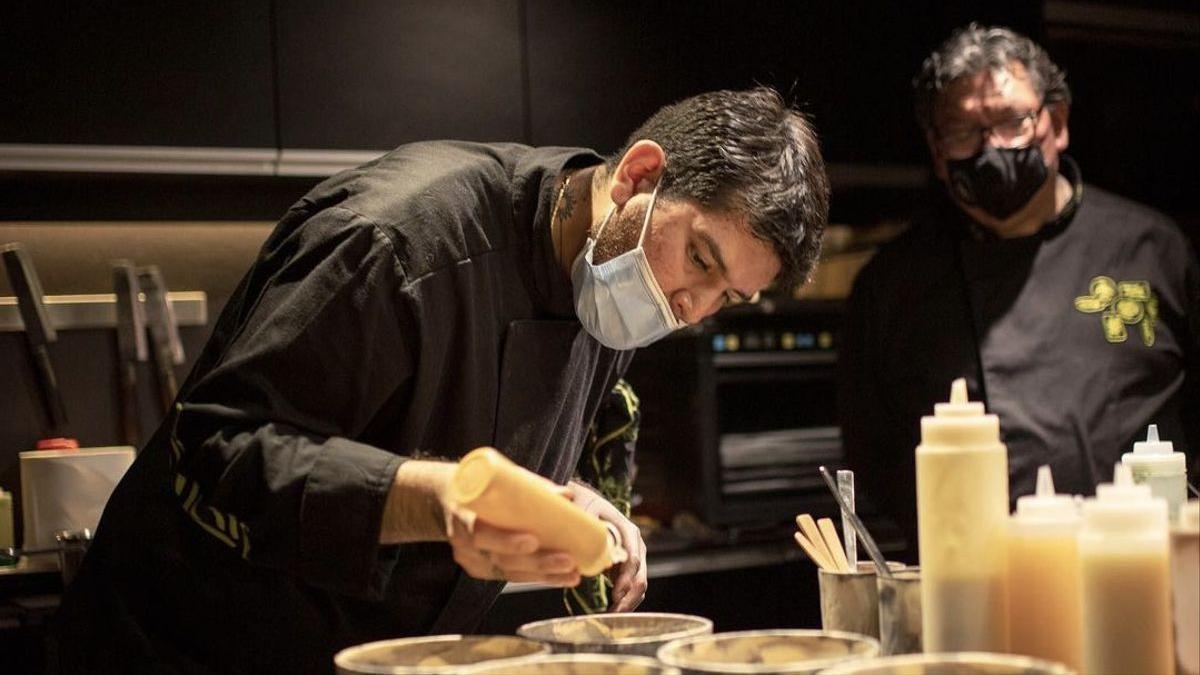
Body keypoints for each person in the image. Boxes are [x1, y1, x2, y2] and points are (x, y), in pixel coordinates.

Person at [50, 86, 829, 673]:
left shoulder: (620, 270)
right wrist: (441, 499)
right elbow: (214, 449)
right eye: (700, 258)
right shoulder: (396, 241)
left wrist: (580, 498)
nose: (691, 310)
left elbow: (554, 413)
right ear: (638, 176)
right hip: (181, 647)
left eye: (726, 297)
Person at [840, 24, 1199, 560]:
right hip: (972, 583)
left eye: (1011, 121)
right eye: (963, 131)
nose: (991, 149)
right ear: (938, 153)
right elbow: (870, 451)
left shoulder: (1153, 248)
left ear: (1057, 123)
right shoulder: (894, 283)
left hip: (1147, 571)